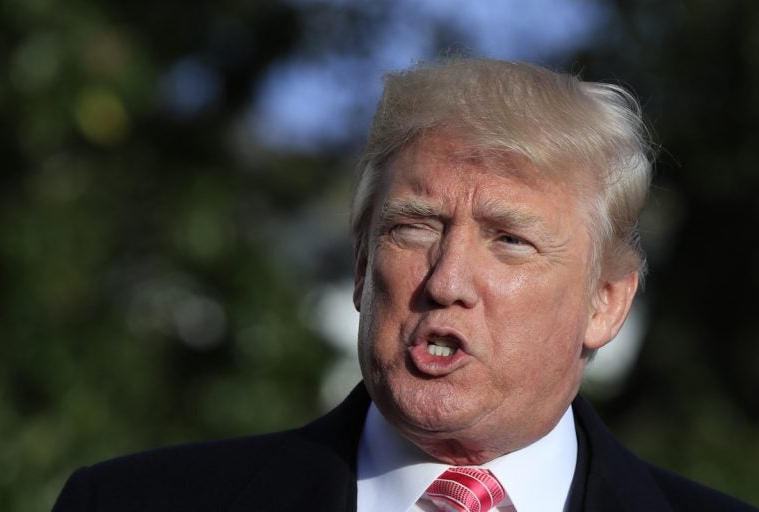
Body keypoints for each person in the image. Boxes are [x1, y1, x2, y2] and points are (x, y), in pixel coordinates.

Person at [52, 58, 757, 512]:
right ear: (361, 265)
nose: (446, 281)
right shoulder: (127, 501)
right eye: (414, 228)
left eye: (509, 240)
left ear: (606, 304)